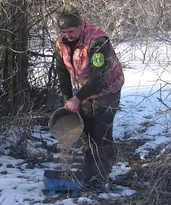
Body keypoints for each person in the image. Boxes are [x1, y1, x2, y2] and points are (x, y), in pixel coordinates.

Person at [54, 5, 125, 185]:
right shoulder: (61, 42)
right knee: (85, 130)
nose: (67, 35)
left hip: (107, 89)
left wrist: (77, 98)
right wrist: (67, 98)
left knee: (101, 131)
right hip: (84, 90)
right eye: (63, 31)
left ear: (80, 25)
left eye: (70, 30)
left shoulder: (97, 41)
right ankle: (88, 171)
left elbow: (98, 77)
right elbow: (62, 72)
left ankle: (101, 175)